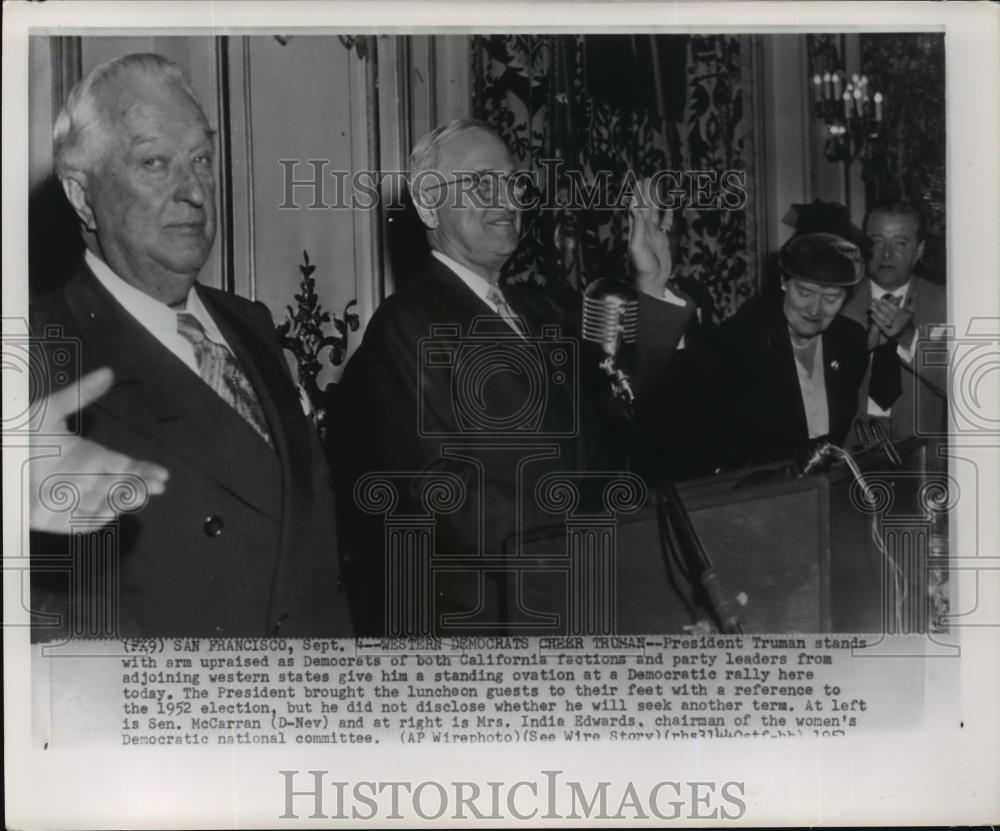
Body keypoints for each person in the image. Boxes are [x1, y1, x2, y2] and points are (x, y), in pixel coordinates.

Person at [29, 53, 350, 638]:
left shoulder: (248, 323)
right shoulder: (39, 354)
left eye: (201, 159)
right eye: (154, 162)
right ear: (81, 196)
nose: (195, 193)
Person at [334, 119, 694, 635]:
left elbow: (618, 408)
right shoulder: (405, 325)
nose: (506, 198)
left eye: (513, 183)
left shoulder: (543, 308)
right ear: (429, 205)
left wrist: (651, 286)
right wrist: (588, 546)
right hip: (496, 623)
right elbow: (445, 497)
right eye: (481, 183)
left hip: (582, 598)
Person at [667, 233, 869, 473]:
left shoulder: (851, 341)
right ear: (784, 282)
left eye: (831, 298)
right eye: (804, 293)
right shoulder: (739, 339)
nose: (815, 310)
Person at [841, 201, 948, 447]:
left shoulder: (945, 304)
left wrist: (909, 338)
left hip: (922, 459)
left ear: (919, 250)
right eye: (877, 241)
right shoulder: (837, 301)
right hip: (851, 455)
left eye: (900, 243)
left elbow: (963, 385)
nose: (887, 254)